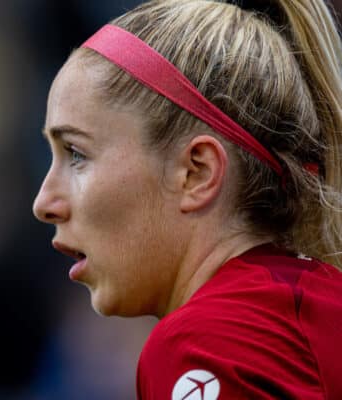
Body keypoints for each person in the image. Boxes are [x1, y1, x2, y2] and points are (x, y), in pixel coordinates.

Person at [32, 0, 342, 398]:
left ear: (197, 172)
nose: (44, 202)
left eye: (77, 154)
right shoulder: (316, 304)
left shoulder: (203, 343)